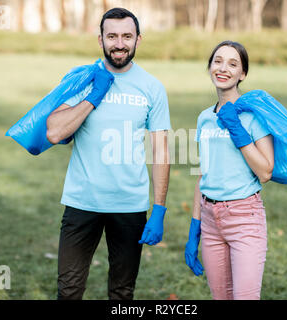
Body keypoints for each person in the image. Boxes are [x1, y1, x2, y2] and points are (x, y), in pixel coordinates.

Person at [46, 7, 171, 300]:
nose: (119, 43)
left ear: (138, 39)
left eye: (126, 36)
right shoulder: (84, 80)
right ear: (99, 39)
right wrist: (93, 96)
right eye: (111, 36)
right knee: (69, 290)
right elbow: (54, 132)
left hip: (130, 205)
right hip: (82, 201)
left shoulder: (152, 88)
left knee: (122, 293)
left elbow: (161, 151)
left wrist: (160, 209)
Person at [184, 41, 274, 300]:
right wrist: (194, 229)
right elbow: (203, 173)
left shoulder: (254, 116)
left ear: (242, 74)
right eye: (218, 61)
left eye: (233, 64)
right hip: (211, 220)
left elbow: (265, 172)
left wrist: (237, 130)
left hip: (244, 218)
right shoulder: (204, 118)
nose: (224, 68)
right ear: (210, 67)